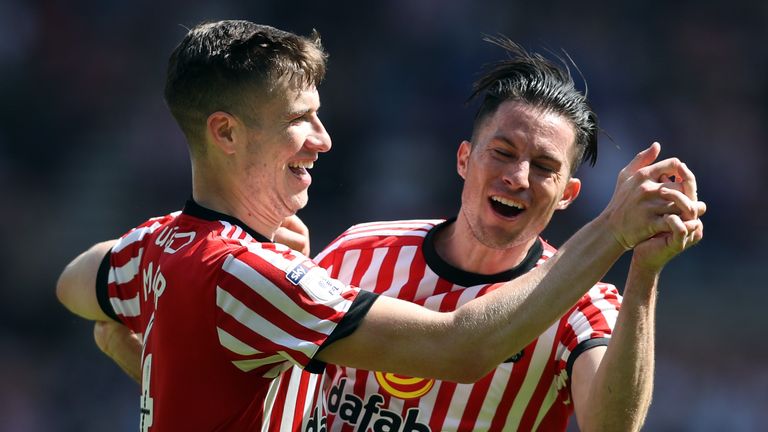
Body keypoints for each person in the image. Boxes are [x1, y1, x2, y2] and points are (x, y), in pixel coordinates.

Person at [55, 21, 704, 431]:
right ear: (464, 158)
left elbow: (611, 427)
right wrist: (613, 231)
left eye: (543, 168)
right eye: (502, 153)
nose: (518, 177)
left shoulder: (586, 305)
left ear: (567, 195)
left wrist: (641, 271)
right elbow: (460, 348)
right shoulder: (354, 252)